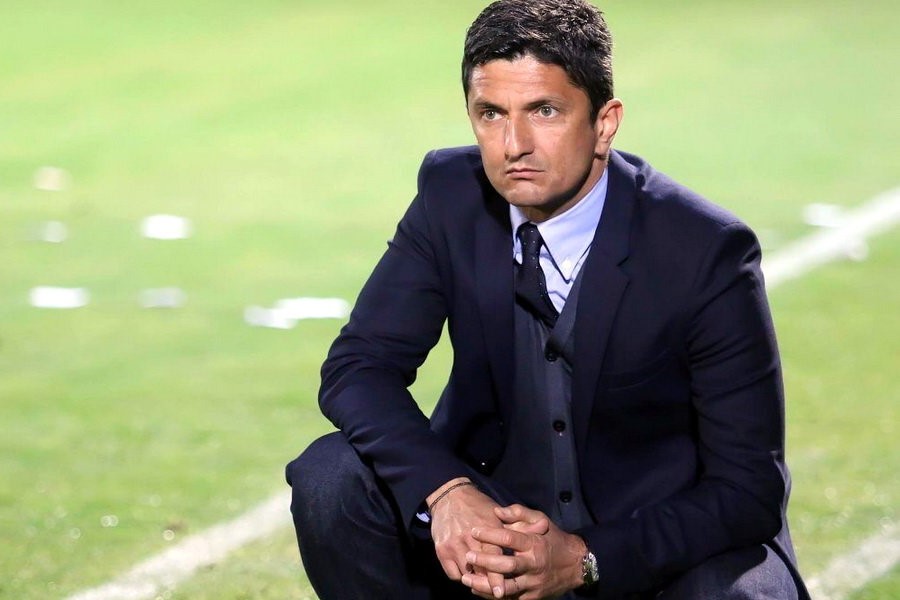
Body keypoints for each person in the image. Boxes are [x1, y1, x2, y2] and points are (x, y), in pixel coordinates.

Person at [287, 1, 810, 598]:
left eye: (544, 111)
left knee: (742, 591)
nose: (514, 144)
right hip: (494, 526)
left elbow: (748, 490)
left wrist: (586, 558)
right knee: (331, 477)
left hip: (646, 549)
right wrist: (447, 491)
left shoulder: (703, 248)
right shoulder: (451, 198)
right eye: (490, 114)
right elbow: (358, 367)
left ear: (605, 123)